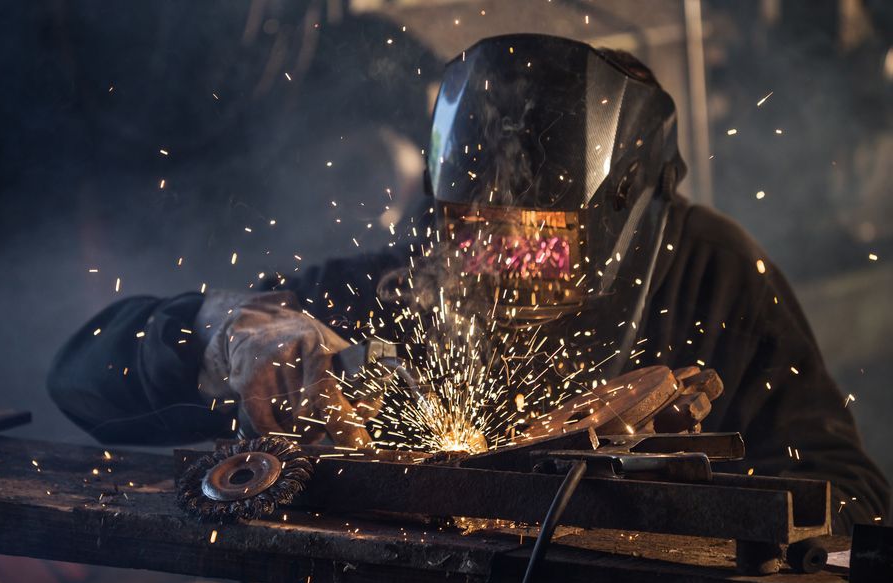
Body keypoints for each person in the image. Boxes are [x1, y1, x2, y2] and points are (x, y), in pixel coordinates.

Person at [48, 34, 889, 532]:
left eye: (542, 246)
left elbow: (857, 500)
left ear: (622, 222)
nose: (503, 269)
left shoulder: (711, 272)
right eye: (476, 236)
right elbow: (84, 380)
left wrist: (679, 482)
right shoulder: (399, 284)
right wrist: (223, 334)